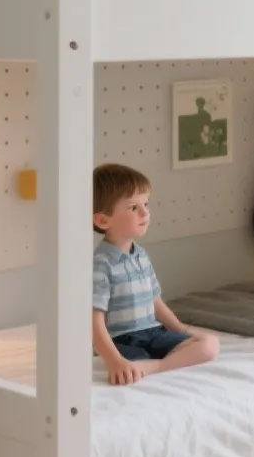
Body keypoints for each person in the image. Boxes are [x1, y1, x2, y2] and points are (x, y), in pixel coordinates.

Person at [90, 163, 218, 385]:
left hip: (154, 332)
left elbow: (154, 300)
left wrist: (181, 330)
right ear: (103, 220)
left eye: (145, 204)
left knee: (210, 344)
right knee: (133, 366)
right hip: (123, 340)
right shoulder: (101, 264)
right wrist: (113, 360)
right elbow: (94, 320)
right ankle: (152, 365)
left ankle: (157, 367)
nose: (145, 212)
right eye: (133, 207)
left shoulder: (141, 255)